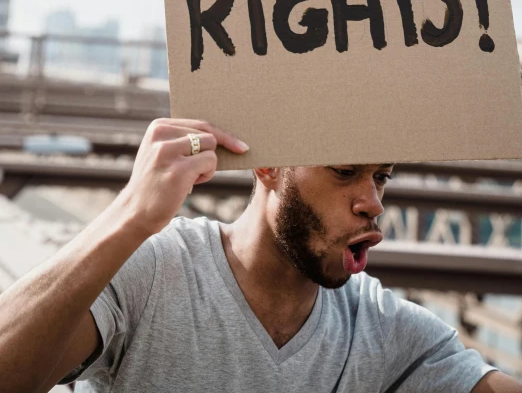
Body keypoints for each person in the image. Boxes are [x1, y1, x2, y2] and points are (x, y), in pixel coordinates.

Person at [1, 119, 520, 393]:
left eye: (380, 176)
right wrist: (131, 216)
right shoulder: (156, 270)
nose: (373, 202)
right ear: (268, 166)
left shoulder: (381, 329)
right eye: (344, 172)